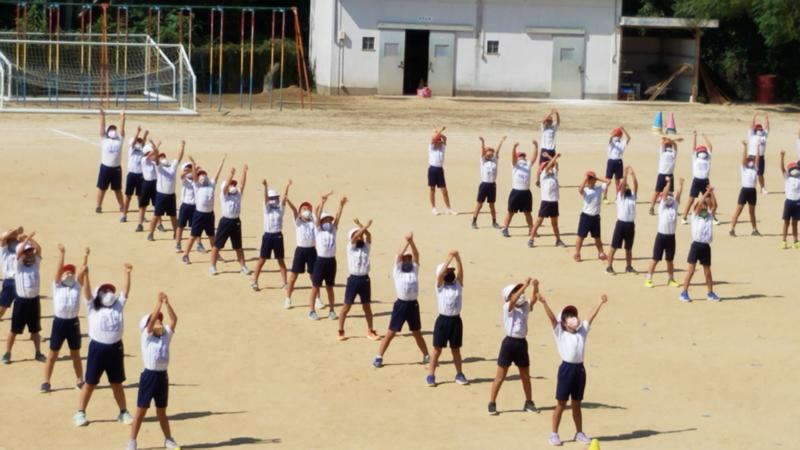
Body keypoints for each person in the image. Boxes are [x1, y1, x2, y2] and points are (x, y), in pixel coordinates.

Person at [537, 292, 608, 446]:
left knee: (577, 403)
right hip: (566, 370)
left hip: (579, 370)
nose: (573, 318)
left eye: (573, 315)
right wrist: (544, 303)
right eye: (568, 316)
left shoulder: (582, 331)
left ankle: (579, 433)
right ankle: (554, 434)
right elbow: (552, 319)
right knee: (561, 404)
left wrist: (600, 303)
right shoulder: (560, 332)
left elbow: (590, 317)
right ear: (563, 322)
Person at [74, 261, 134, 427]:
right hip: (98, 349)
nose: (108, 293)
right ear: (98, 295)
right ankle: (80, 412)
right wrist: (86, 276)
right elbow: (87, 293)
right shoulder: (93, 307)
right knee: (90, 383)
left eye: (110, 291)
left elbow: (125, 292)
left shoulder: (118, 306)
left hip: (115, 349)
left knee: (117, 383)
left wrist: (127, 273)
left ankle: (123, 412)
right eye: (104, 291)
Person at [127, 292, 179, 450]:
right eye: (156, 319)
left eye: (160, 320)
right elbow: (150, 324)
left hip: (162, 377)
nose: (159, 321)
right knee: (141, 411)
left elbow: (174, 320)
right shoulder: (146, 336)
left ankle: (168, 439)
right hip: (149, 376)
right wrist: (158, 303)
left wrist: (167, 303)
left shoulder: (165, 336)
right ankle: (132, 442)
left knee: (162, 411)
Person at [372, 233, 430, 368]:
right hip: (401, 305)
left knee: (417, 333)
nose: (407, 260)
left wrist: (412, 242)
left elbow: (417, 255)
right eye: (405, 258)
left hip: (413, 305)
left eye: (409, 258)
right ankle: (379, 356)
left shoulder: (414, 270)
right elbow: (399, 255)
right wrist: (407, 242)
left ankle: (426, 356)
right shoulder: (397, 271)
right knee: (391, 332)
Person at [487, 278, 539, 415]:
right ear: (509, 296)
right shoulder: (507, 307)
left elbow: (534, 299)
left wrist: (535, 286)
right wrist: (525, 285)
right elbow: (513, 301)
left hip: (522, 343)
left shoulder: (525, 306)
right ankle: (492, 403)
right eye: (515, 291)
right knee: (500, 376)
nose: (520, 294)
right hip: (509, 343)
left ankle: (529, 402)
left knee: (525, 375)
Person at [41, 245, 87, 393]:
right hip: (59, 322)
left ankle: (80, 379)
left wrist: (85, 256)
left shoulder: (77, 286)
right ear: (61, 275)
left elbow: (83, 271)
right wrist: (62, 253)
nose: (69, 273)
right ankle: (46, 381)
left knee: (75, 354)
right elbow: (58, 269)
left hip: (73, 322)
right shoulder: (57, 286)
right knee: (53, 354)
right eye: (66, 272)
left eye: (71, 272)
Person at [2, 233, 45, 364]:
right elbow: (18, 252)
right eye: (27, 252)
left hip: (34, 301)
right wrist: (25, 241)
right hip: (21, 302)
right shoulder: (18, 266)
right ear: (21, 255)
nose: (30, 254)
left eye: (31, 251)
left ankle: (38, 352)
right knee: (14, 330)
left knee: (35, 330)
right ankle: (7, 353)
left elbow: (39, 248)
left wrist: (29, 238)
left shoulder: (35, 263)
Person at [427, 250, 468, 387]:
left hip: (456, 321)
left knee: (456, 350)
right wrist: (449, 259)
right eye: (448, 271)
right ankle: (431, 375)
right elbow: (439, 275)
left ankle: (459, 374)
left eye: (451, 271)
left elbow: (461, 273)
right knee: (437, 350)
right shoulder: (439, 286)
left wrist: (458, 258)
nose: (451, 273)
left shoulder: (458, 285)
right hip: (443, 321)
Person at [337, 219, 380, 341]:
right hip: (353, 279)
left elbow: (369, 236)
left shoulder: (366, 247)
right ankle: (340, 330)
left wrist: (362, 226)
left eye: (361, 235)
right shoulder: (350, 247)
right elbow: (356, 237)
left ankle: (370, 330)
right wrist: (364, 226)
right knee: (347, 306)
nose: (360, 237)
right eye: (357, 235)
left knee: (367, 306)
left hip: (365, 279)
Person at [308, 194, 347, 320]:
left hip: (331, 261)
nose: (329, 222)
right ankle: (311, 311)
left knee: (330, 287)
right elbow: (317, 217)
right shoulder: (318, 230)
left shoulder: (333, 231)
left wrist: (341, 205)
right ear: (321, 222)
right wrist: (322, 203)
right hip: (320, 261)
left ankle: (332, 310)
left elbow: (338, 218)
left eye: (329, 220)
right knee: (315, 286)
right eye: (326, 220)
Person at [181, 155, 226, 264]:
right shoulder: (196, 185)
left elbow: (217, 174)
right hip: (199, 215)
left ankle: (216, 255)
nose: (203, 176)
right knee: (193, 236)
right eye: (201, 175)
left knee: (212, 236)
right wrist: (193, 163)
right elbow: (194, 175)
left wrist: (222, 162)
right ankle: (185, 255)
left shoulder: (211, 185)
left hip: (209, 215)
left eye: (204, 174)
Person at [679, 187, 720, 302]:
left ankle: (710, 293)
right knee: (691, 271)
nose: (704, 207)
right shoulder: (695, 216)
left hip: (706, 246)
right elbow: (699, 204)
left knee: (707, 272)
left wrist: (712, 193)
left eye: (705, 206)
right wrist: (706, 193)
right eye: (702, 206)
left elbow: (715, 206)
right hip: (696, 246)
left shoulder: (709, 216)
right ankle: (684, 292)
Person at [209, 165, 251, 276]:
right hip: (225, 222)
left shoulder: (238, 194)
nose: (233, 186)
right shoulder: (224, 195)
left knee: (238, 246)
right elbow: (225, 186)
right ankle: (212, 266)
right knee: (217, 245)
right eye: (231, 184)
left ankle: (243, 266)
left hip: (236, 222)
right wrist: (231, 175)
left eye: (233, 184)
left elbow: (242, 184)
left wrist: (244, 172)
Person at [251, 179, 292, 291]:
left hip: (278, 236)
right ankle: (254, 281)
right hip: (268, 236)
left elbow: (284, 198)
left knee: (280, 260)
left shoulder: (280, 209)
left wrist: (287, 186)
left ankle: (285, 283)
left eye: (275, 198)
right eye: (271, 198)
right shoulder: (266, 209)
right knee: (262, 259)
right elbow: (265, 198)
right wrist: (265, 186)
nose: (274, 200)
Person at [644, 177, 684, 288]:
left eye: (671, 196)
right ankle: (648, 279)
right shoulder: (662, 206)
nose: (669, 198)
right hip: (661, 236)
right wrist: (669, 183)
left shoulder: (674, 206)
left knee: (670, 260)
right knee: (655, 259)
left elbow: (678, 195)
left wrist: (681, 185)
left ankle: (671, 279)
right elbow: (665, 194)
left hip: (671, 237)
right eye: (667, 196)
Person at [283, 197, 318, 309]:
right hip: (300, 250)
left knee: (314, 276)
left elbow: (317, 212)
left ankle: (317, 299)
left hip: (312, 250)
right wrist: (288, 201)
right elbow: (294, 210)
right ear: (300, 212)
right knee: (294, 275)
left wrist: (321, 202)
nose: (306, 210)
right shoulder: (298, 222)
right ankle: (288, 299)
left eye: (308, 209)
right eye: (304, 209)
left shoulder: (313, 222)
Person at [147, 141, 185, 242]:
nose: (163, 158)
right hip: (161, 196)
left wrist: (182, 146)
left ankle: (175, 233)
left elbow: (179, 157)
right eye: (161, 157)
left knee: (173, 216)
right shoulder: (159, 168)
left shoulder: (172, 167)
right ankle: (150, 233)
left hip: (171, 196)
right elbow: (156, 158)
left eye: (164, 156)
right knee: (156, 215)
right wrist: (156, 148)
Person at [606, 166, 638, 275]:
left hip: (630, 225)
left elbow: (636, 185)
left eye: (628, 186)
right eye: (625, 186)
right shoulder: (620, 196)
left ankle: (628, 267)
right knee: (614, 247)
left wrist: (633, 175)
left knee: (628, 248)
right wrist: (625, 175)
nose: (627, 187)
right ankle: (609, 267)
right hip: (621, 224)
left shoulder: (632, 196)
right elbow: (623, 185)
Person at [528, 153, 565, 248]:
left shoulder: (554, 175)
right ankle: (531, 239)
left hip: (554, 202)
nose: (550, 167)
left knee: (554, 223)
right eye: (548, 165)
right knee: (538, 222)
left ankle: (558, 240)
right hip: (546, 202)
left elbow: (556, 164)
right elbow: (549, 166)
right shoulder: (543, 175)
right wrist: (555, 157)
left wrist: (549, 157)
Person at [501, 141, 536, 238]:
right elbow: (513, 157)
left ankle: (531, 230)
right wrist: (514, 148)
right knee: (511, 212)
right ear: (517, 157)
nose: (522, 157)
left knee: (527, 212)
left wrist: (536, 146)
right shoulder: (515, 165)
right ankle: (505, 228)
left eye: (523, 155)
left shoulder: (528, 164)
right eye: (520, 155)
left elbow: (534, 157)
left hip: (526, 192)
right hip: (516, 192)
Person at [682, 131, 718, 225]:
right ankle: (684, 217)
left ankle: (713, 217)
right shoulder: (695, 158)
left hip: (705, 181)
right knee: (691, 200)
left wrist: (704, 136)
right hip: (697, 180)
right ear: (698, 153)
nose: (702, 153)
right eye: (700, 151)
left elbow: (710, 147)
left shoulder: (708, 158)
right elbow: (693, 148)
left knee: (709, 201)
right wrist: (695, 136)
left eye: (703, 151)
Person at [574, 171, 610, 262]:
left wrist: (597, 178)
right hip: (585, 217)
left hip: (595, 217)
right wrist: (586, 178)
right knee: (581, 236)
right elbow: (580, 190)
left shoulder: (599, 188)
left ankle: (601, 253)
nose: (590, 181)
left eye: (592, 179)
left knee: (597, 237)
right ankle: (577, 253)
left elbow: (608, 181)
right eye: (589, 179)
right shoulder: (585, 190)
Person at [96, 108, 126, 214]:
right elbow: (102, 128)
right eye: (111, 129)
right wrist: (102, 116)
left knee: (117, 189)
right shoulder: (104, 139)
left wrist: (122, 117)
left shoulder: (120, 140)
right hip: (105, 168)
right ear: (107, 131)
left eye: (114, 129)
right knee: (102, 188)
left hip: (116, 168)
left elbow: (122, 129)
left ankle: (122, 206)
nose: (113, 130)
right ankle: (98, 206)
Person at [471, 136, 504, 229]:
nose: (490, 154)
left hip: (492, 185)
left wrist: (501, 141)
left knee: (492, 205)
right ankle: (474, 221)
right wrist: (483, 142)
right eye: (488, 152)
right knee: (479, 204)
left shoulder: (494, 160)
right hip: (484, 184)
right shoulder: (483, 160)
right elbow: (482, 151)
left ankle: (494, 222)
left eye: (491, 153)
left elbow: (497, 151)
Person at [730, 140, 761, 237]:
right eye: (749, 160)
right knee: (738, 210)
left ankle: (754, 229)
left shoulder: (755, 168)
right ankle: (732, 229)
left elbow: (757, 158)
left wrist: (757, 147)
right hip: (744, 190)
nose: (750, 162)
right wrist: (745, 147)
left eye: (751, 161)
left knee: (752, 212)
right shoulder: (743, 168)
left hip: (752, 191)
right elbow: (743, 158)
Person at [175, 161, 207, 253]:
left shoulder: (197, 180)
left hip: (195, 207)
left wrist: (196, 171)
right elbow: (182, 175)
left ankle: (199, 244)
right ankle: (178, 244)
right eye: (187, 168)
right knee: (180, 226)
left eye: (190, 168)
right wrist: (191, 170)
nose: (189, 170)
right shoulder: (184, 180)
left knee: (196, 227)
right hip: (185, 206)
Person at [121, 127, 148, 223]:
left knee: (140, 197)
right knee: (128, 196)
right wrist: (138, 132)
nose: (139, 142)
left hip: (141, 176)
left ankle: (142, 216)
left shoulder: (142, 150)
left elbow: (143, 143)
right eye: (137, 141)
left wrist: (145, 134)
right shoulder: (131, 149)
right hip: (132, 175)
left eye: (140, 141)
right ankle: (124, 215)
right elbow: (133, 143)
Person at [648, 137, 681, 215]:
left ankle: (672, 208)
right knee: (657, 192)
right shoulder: (663, 151)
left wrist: (671, 141)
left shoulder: (673, 152)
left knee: (669, 194)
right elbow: (664, 142)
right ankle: (652, 207)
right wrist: (673, 140)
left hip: (669, 175)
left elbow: (674, 145)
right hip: (662, 174)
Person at [428, 126, 456, 215]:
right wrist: (440, 131)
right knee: (432, 190)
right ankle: (433, 208)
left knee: (444, 191)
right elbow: (433, 139)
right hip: (432, 169)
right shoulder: (431, 147)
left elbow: (445, 138)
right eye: (438, 142)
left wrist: (438, 132)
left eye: (440, 142)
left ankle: (448, 208)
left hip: (440, 170)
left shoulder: (442, 148)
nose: (439, 143)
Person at [0, 226, 24, 321]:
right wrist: (15, 231)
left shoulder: (20, 251)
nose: (15, 241)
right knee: (3, 305)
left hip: (21, 281)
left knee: (24, 305)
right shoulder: (4, 251)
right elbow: (3, 238)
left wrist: (19, 236)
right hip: (10, 281)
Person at [602, 126, 630, 204]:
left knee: (617, 181)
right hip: (611, 161)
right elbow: (610, 140)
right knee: (608, 180)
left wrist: (623, 130)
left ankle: (618, 197)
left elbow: (629, 138)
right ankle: (605, 196)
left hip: (619, 161)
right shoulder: (612, 141)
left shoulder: (622, 142)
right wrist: (614, 134)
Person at [135, 142, 159, 233]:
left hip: (155, 183)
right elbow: (151, 155)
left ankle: (159, 224)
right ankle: (140, 224)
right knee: (143, 206)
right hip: (146, 184)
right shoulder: (144, 159)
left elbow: (156, 156)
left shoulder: (154, 161)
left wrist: (156, 149)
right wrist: (156, 147)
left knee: (157, 206)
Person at [779, 150, 800, 249]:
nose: (794, 170)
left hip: (798, 203)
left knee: (795, 224)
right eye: (793, 168)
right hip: (788, 202)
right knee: (786, 223)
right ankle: (784, 241)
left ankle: (796, 241)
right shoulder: (787, 177)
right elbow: (782, 168)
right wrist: (782, 157)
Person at [748, 113, 770, 194]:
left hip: (761, 157)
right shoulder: (751, 135)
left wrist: (766, 119)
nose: (759, 130)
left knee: (760, 173)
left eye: (760, 129)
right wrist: (754, 117)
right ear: (755, 130)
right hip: (752, 157)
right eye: (758, 129)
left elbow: (767, 128)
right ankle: (749, 186)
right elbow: (751, 126)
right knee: (750, 173)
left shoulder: (764, 136)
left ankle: (762, 188)